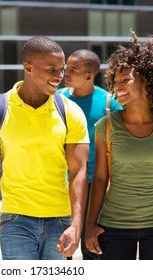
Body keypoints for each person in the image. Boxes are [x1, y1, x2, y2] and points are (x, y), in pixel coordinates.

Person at [0, 36, 90, 260]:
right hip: (16, 220)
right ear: (28, 68)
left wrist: (76, 224)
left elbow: (79, 171)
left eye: (61, 69)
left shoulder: (70, 112)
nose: (59, 76)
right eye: (52, 69)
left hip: (59, 220)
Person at [85, 30, 153, 260]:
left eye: (126, 79)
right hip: (114, 226)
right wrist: (90, 224)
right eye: (116, 80)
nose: (118, 86)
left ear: (148, 81)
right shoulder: (106, 126)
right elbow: (101, 177)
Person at [58, 49, 122, 260]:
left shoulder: (109, 103)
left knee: (91, 244)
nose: (66, 72)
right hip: (62, 180)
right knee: (62, 244)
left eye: (73, 69)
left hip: (97, 183)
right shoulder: (59, 98)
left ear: (89, 75)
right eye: (67, 67)